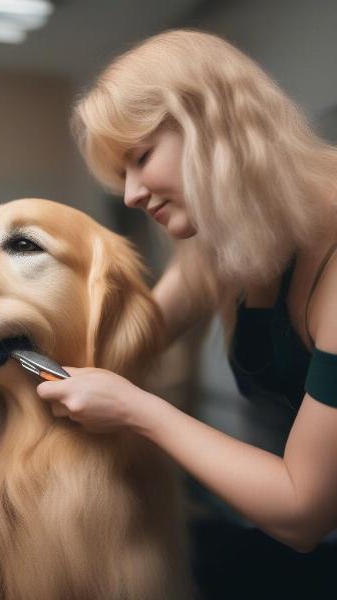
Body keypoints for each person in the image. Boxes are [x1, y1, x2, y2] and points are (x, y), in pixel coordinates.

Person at [36, 29, 337, 555]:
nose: (130, 194)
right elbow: (129, 337)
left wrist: (135, 408)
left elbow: (302, 510)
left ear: (213, 124)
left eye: (142, 156)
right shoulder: (228, 238)